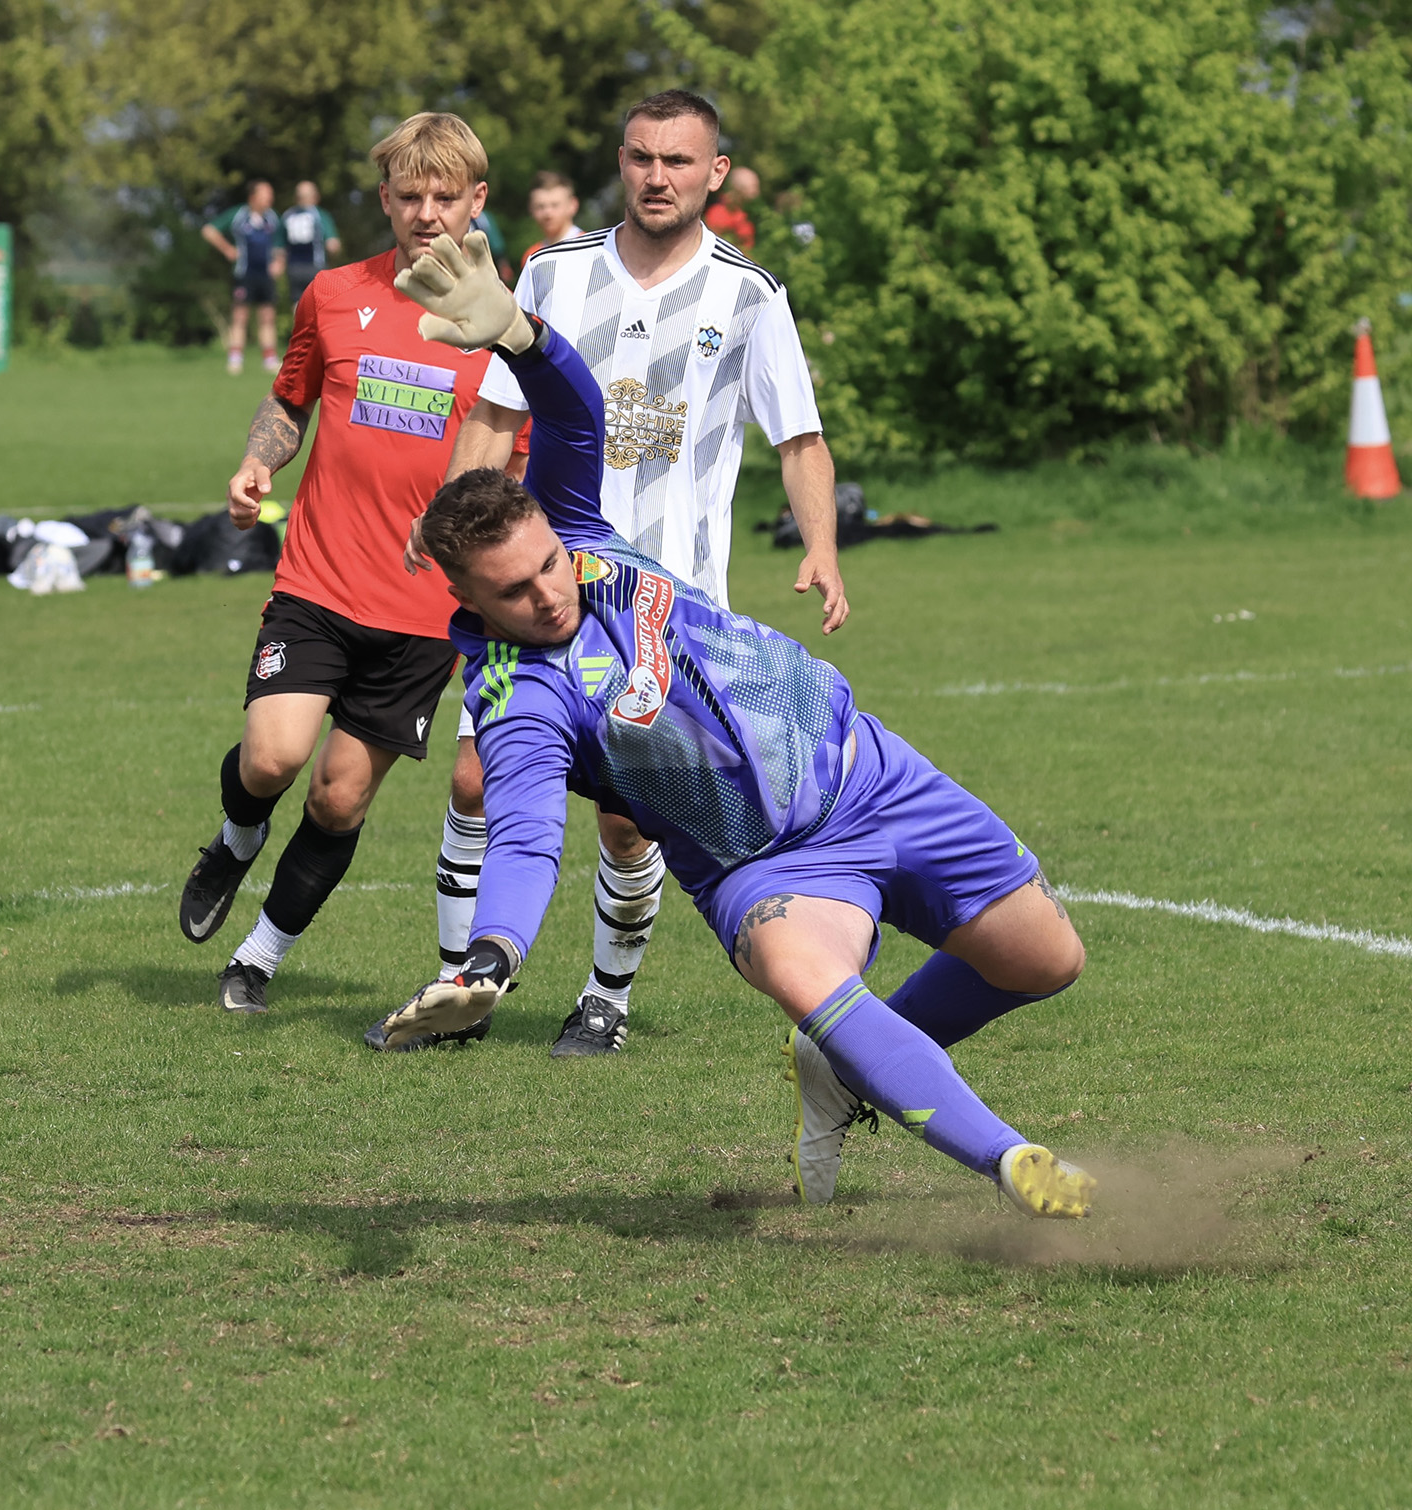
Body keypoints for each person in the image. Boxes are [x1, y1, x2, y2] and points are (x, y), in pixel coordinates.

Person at [371, 231, 1096, 1218]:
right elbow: (528, 833)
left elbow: (575, 416)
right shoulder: (516, 697)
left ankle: (838, 1063)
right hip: (762, 868)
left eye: (545, 564)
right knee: (803, 973)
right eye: (514, 590)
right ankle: (1011, 1162)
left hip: (868, 773)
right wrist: (492, 956)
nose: (548, 592)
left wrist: (520, 335)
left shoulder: (573, 528)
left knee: (1046, 960)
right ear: (465, 597)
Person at [394, 90, 848, 1058]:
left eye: (678, 161)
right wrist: (450, 525)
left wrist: (821, 544)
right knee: (475, 778)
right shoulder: (552, 272)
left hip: (665, 607)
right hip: (540, 580)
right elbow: (499, 412)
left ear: (714, 173)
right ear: (619, 161)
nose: (656, 176)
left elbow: (799, 438)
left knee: (626, 821)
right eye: (641, 157)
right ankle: (459, 987)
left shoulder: (750, 295)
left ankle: (605, 1000)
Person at [176, 112, 507, 1016]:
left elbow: (517, 469)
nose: (428, 214)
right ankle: (236, 838)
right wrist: (257, 463)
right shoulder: (331, 294)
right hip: (318, 582)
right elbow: (290, 401)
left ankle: (258, 958)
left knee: (338, 798)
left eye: (446, 197)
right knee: (272, 759)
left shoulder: (504, 328)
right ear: (385, 200)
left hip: (425, 612)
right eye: (410, 196)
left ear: (477, 201)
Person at [202, 180, 282, 375]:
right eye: (265, 193)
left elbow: (280, 244)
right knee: (240, 316)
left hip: (265, 275)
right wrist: (227, 249)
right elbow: (208, 231)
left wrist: (279, 262)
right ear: (253, 196)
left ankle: (270, 359)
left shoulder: (272, 218)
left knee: (267, 316)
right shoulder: (238, 215)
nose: (270, 198)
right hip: (244, 274)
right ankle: (235, 359)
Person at [280, 180, 342, 305]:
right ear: (315, 197)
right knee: (318, 304)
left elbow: (280, 247)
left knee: (298, 304)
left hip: (295, 268)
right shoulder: (319, 215)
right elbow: (333, 244)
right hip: (315, 267)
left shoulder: (287, 215)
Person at [520, 171, 584, 263]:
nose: (547, 213)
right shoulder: (531, 256)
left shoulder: (591, 248)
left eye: (555, 205)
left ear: (573, 205)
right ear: (530, 208)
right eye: (540, 206)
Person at [705, 164, 760, 252]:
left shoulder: (746, 213)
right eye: (753, 187)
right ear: (739, 188)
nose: (756, 193)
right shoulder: (718, 214)